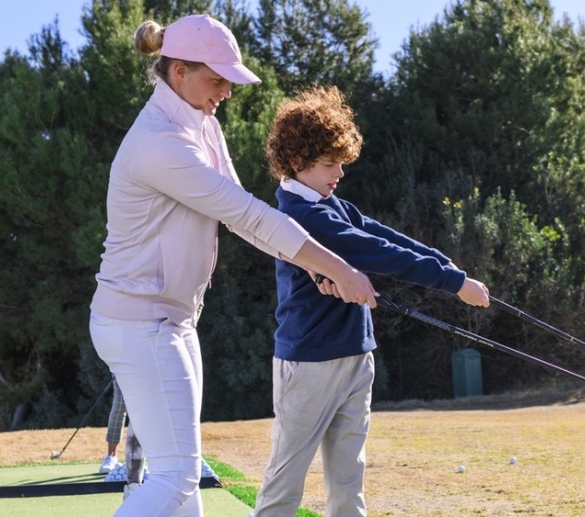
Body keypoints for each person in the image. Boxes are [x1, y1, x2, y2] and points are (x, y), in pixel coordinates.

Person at [88, 15, 378, 517]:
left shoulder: (203, 123)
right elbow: (249, 215)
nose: (225, 91)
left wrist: (315, 268)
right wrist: (340, 267)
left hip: (171, 321)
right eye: (217, 79)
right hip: (138, 323)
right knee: (178, 476)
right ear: (178, 71)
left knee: (181, 478)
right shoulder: (161, 143)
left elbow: (243, 217)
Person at [254, 85, 491, 516]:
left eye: (341, 163)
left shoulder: (330, 203)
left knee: (348, 481)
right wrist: (455, 282)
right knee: (284, 483)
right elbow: (377, 254)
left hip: (355, 354)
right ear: (295, 163)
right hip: (309, 364)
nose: (339, 174)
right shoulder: (300, 214)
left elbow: (381, 234)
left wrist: (440, 260)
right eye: (330, 164)